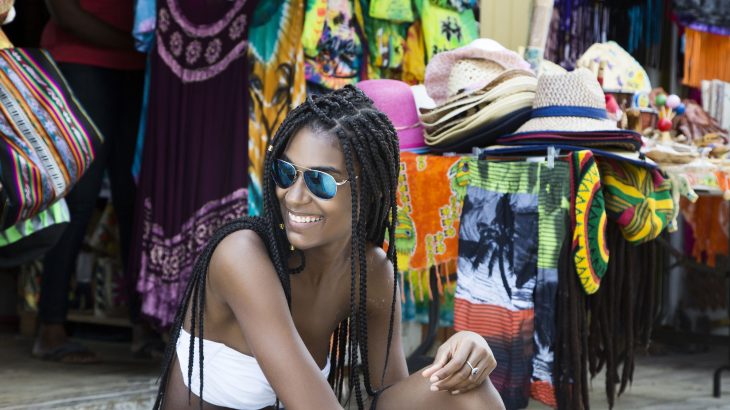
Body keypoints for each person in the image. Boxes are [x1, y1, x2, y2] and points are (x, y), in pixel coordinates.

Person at [153, 86, 505, 409]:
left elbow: (393, 399)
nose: (294, 196)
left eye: (320, 181)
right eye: (286, 172)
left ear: (370, 191)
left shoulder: (372, 272)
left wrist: (469, 346)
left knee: (471, 390)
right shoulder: (241, 256)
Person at [32, 0, 154, 363]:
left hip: (140, 67)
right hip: (80, 63)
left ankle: (143, 324)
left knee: (135, 197)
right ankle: (49, 327)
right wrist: (135, 41)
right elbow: (62, 11)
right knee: (77, 196)